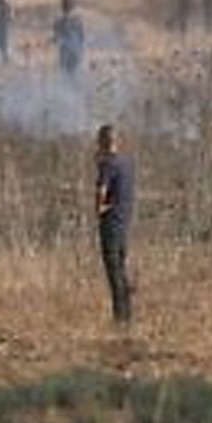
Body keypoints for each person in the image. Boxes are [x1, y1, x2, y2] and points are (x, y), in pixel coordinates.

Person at [94, 124, 135, 324]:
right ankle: (128, 315)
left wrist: (99, 208)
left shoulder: (107, 164)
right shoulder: (127, 163)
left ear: (102, 141)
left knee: (114, 272)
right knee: (121, 267)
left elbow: (101, 190)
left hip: (110, 222)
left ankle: (120, 320)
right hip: (124, 221)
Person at [53, 0, 86, 78]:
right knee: (71, 73)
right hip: (74, 49)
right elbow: (82, 36)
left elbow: (56, 36)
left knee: (67, 74)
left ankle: (70, 88)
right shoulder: (77, 19)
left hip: (67, 50)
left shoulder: (59, 20)